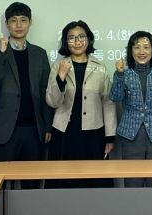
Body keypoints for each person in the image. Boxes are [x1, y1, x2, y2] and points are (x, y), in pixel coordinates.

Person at [0, 2, 53, 189]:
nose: (19, 25)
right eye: (14, 21)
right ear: (7, 24)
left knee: (32, 183)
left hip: (34, 129)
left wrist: (47, 126)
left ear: (30, 23)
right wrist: (1, 54)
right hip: (5, 129)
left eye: (23, 20)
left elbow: (45, 91)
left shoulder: (39, 54)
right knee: (2, 184)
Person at [45, 20, 116, 188]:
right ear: (66, 42)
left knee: (94, 180)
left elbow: (108, 103)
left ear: (88, 39)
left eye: (81, 37)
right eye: (71, 38)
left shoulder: (100, 68)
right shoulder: (58, 66)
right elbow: (53, 101)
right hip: (64, 132)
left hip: (93, 132)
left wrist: (110, 136)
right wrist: (61, 77)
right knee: (63, 180)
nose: (77, 42)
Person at [110, 30, 152, 188]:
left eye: (146, 47)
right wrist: (119, 74)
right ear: (130, 51)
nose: (142, 51)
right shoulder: (124, 74)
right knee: (133, 181)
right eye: (137, 47)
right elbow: (115, 97)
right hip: (130, 136)